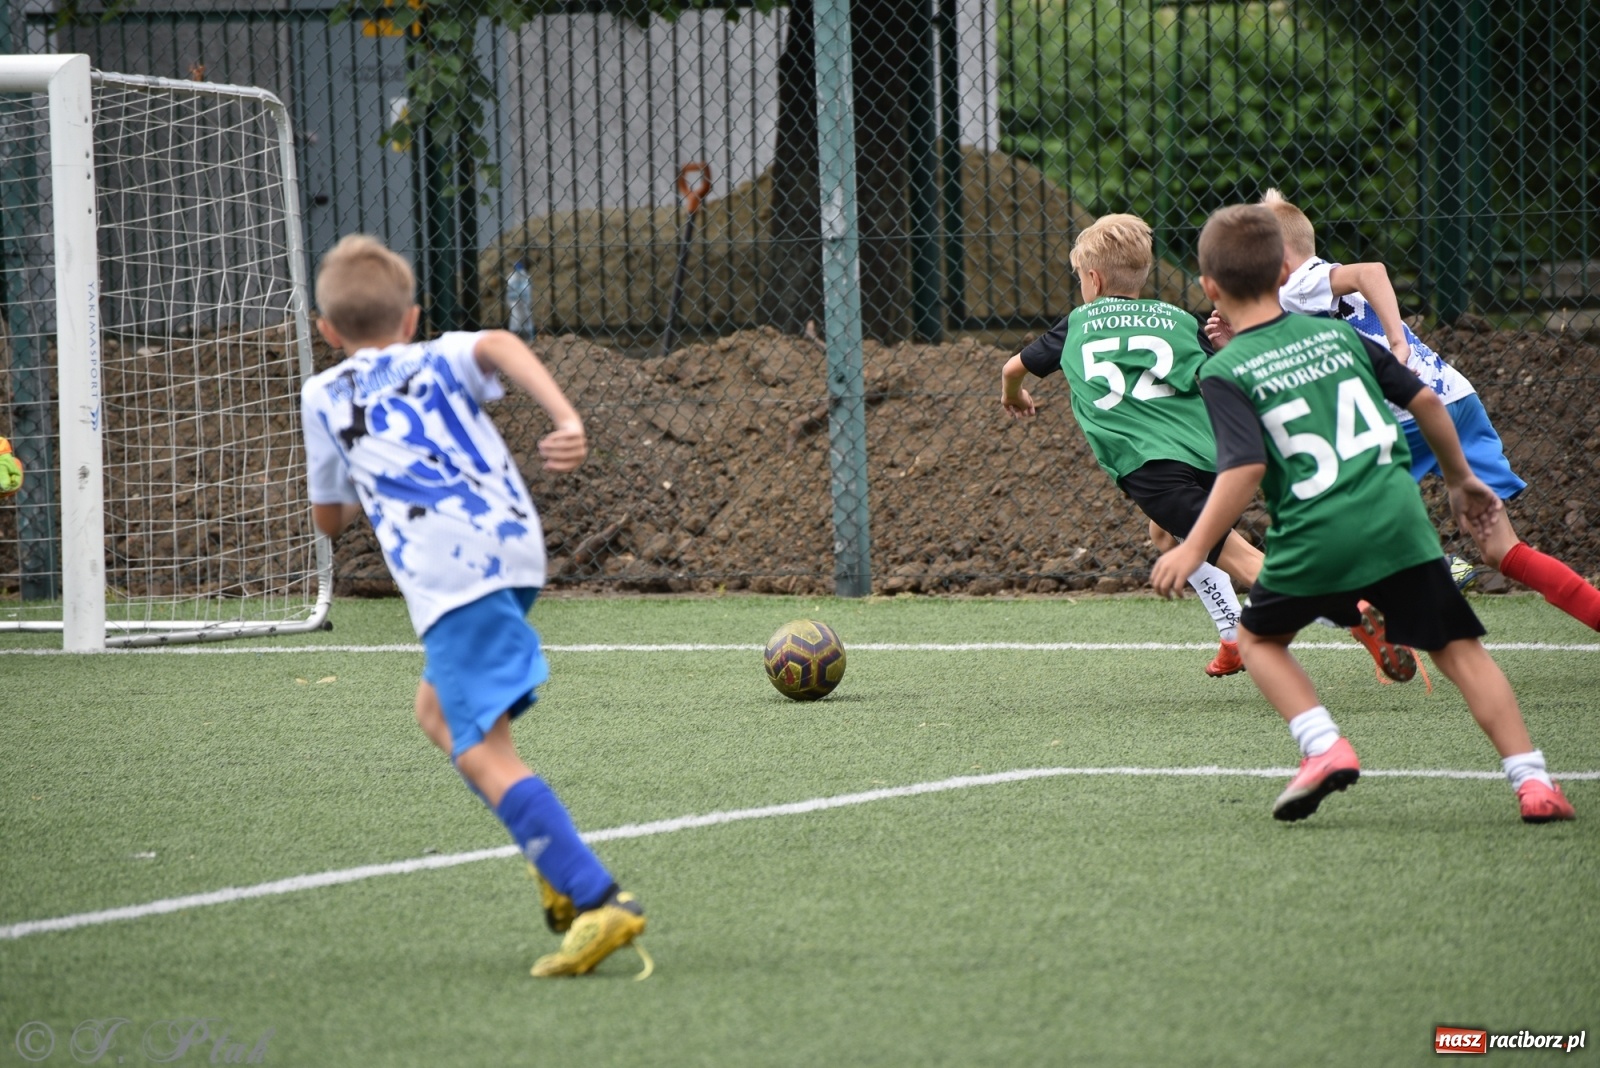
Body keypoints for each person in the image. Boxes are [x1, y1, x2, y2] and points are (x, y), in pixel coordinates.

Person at [1151, 203, 1575, 824]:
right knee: (1460, 651)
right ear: (1284, 275)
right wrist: (1459, 481)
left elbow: (1243, 469)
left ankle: (1324, 746)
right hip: (1397, 521)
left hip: (1314, 534)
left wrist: (1193, 546)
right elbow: (1425, 398)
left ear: (1210, 288)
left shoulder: (1224, 369)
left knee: (1260, 640)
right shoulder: (1341, 334)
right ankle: (1534, 783)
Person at [301, 235, 650, 977]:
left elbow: (328, 520)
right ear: (411, 318)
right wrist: (566, 418)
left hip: (455, 580)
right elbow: (497, 341)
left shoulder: (321, 395)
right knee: (437, 712)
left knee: (484, 750)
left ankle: (595, 896)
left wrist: (366, 489)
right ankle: (554, 865)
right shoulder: (434, 355)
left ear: (325, 331)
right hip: (514, 549)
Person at [1000, 213, 1414, 682]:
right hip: (1209, 456)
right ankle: (1231, 634)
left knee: (1243, 560)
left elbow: (1013, 369)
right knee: (1164, 535)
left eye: (1079, 278)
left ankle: (1355, 612)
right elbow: (1223, 368)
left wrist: (1014, 395)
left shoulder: (1077, 325)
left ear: (1092, 278)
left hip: (1149, 466)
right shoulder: (1178, 319)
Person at [1214, 189, 1600, 632]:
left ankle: (1434, 568)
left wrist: (1398, 342)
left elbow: (1372, 271)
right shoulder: (1304, 296)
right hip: (1456, 399)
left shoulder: (1299, 283)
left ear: (1278, 257)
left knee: (1334, 523)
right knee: (1500, 550)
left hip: (1403, 419)